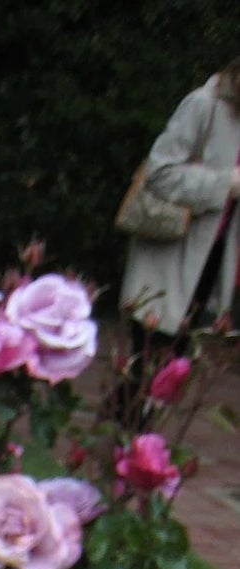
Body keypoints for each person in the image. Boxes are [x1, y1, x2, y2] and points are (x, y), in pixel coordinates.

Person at [121, 58, 240, 366]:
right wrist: (224, 183)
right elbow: (159, 173)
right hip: (171, 258)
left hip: (211, 263)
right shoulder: (203, 105)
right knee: (143, 368)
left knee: (168, 376)